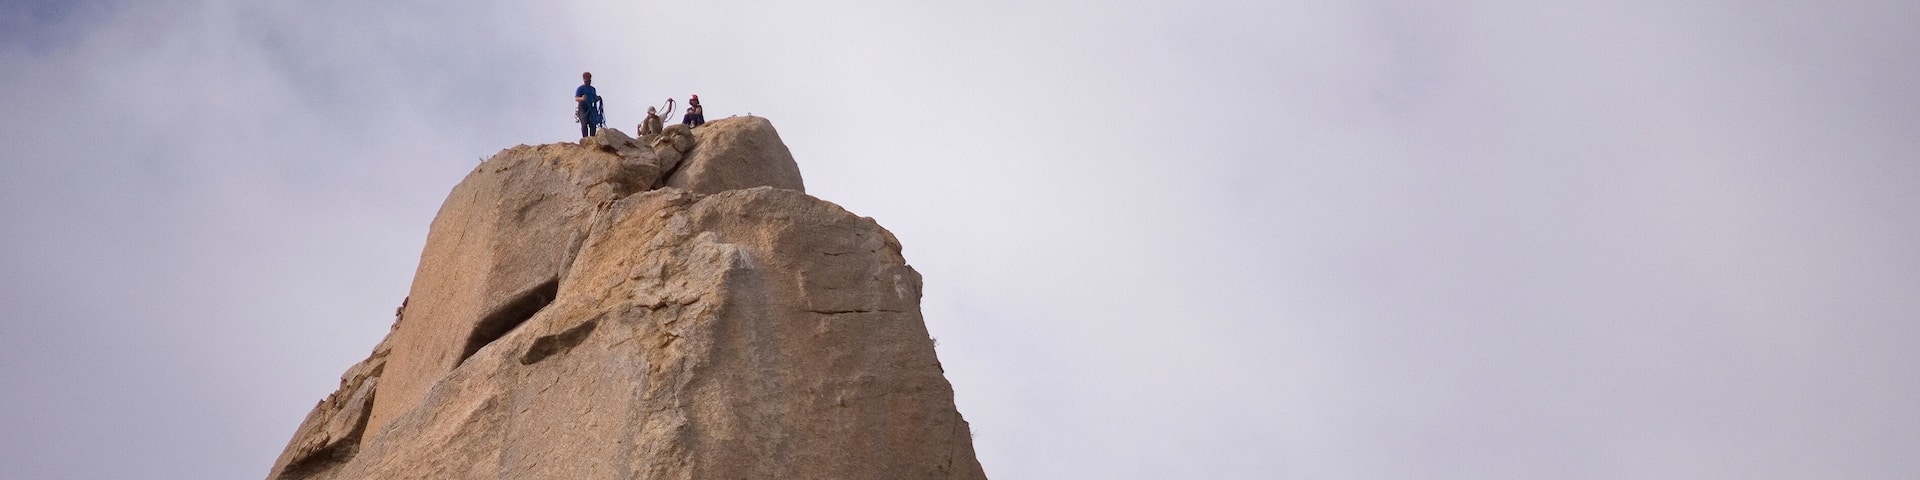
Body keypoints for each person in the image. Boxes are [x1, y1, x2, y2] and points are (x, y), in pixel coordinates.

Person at [574, 72, 603, 137]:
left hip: (591, 109)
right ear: (584, 79)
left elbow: (594, 98)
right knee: (584, 124)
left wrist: (597, 98)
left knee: (592, 124)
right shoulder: (580, 88)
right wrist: (582, 98)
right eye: (587, 80)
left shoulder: (593, 89)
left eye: (589, 79)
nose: (588, 81)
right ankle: (585, 139)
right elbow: (576, 98)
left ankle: (592, 139)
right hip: (583, 108)